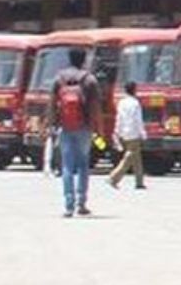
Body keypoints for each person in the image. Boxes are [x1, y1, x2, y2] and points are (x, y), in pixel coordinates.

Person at [49, 48, 102, 218]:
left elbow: (51, 105)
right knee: (83, 165)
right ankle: (82, 203)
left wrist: (50, 126)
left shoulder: (59, 79)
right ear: (84, 60)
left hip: (65, 127)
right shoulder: (89, 80)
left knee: (66, 166)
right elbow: (95, 108)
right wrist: (98, 128)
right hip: (84, 128)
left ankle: (68, 205)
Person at [108, 81, 147, 191]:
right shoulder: (135, 103)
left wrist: (117, 131)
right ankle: (114, 177)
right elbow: (138, 120)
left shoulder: (121, 102)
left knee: (136, 158)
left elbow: (119, 118)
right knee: (129, 156)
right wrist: (143, 133)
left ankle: (139, 181)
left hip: (124, 132)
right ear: (134, 90)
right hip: (133, 132)